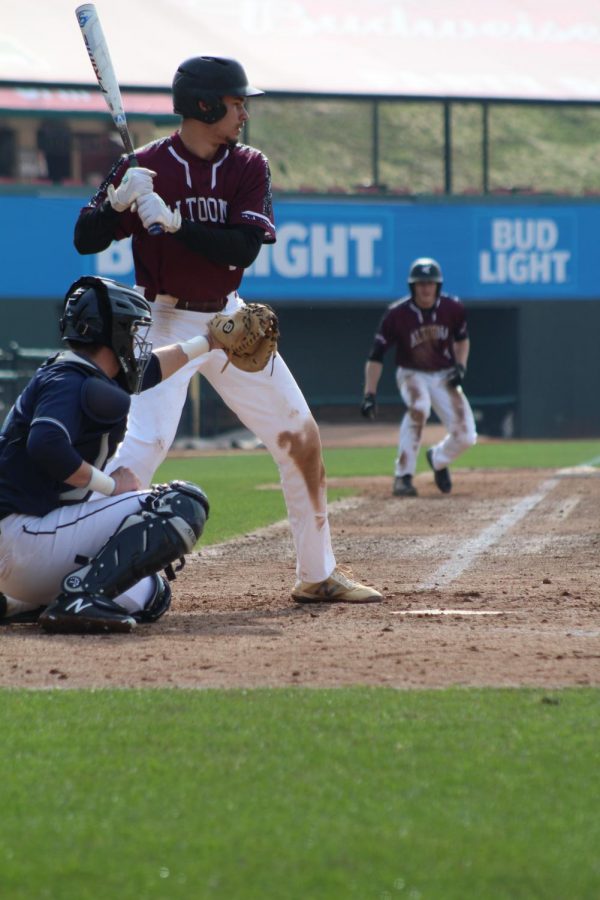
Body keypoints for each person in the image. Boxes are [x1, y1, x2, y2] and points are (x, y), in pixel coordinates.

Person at [74, 55, 381, 605]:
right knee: (142, 448)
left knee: (300, 435)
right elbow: (84, 238)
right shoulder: (144, 165)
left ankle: (318, 573)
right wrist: (116, 202)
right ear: (204, 105)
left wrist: (176, 223)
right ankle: (76, 572)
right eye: (236, 103)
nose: (243, 113)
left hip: (228, 320)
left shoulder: (248, 166)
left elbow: (242, 246)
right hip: (161, 318)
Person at [0, 276, 213, 633]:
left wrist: (209, 342)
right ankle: (78, 597)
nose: (135, 342)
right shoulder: (66, 379)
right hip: (20, 536)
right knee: (182, 503)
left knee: (151, 595)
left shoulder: (83, 373)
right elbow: (46, 443)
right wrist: (109, 486)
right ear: (111, 333)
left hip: (26, 545)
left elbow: (151, 370)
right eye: (131, 331)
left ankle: (21, 604)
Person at [361, 257, 477, 497]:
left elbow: (462, 339)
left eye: (430, 283)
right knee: (419, 407)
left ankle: (438, 459)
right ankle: (403, 475)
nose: (425, 288)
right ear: (412, 287)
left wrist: (461, 367)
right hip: (412, 373)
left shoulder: (452, 308)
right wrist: (369, 393)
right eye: (420, 283)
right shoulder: (397, 314)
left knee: (467, 436)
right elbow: (376, 355)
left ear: (438, 286)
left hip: (444, 374)